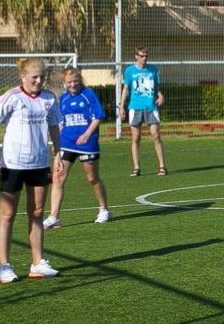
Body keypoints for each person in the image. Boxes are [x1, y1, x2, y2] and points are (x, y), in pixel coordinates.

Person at [0, 57, 59, 283]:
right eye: (34, 77)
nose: (38, 81)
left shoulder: (49, 98)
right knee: (7, 215)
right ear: (23, 76)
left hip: (39, 163)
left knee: (37, 213)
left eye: (42, 77)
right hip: (12, 165)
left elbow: (54, 126)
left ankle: (37, 263)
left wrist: (59, 154)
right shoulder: (11, 97)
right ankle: (4, 266)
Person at [45, 66, 110, 228]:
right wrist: (57, 143)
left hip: (87, 144)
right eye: (69, 82)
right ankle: (54, 217)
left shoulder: (89, 95)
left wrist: (87, 134)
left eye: (75, 81)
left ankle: (104, 209)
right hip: (67, 143)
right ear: (64, 82)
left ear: (80, 80)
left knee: (92, 178)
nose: (73, 84)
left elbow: (98, 117)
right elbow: (60, 122)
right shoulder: (63, 98)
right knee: (58, 177)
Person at [118, 46, 167, 177]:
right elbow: (126, 89)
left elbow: (156, 87)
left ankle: (162, 166)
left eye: (146, 56)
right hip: (135, 107)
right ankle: (136, 167)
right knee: (136, 137)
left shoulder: (153, 70)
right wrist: (121, 107)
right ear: (136, 56)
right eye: (141, 56)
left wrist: (160, 96)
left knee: (155, 135)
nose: (144, 59)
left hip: (151, 107)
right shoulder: (129, 71)